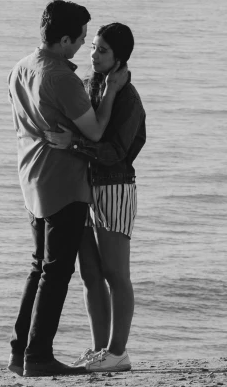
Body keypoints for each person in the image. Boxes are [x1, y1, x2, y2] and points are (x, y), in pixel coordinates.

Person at [6, 1, 128, 377]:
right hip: (63, 184)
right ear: (63, 39)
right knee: (56, 273)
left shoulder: (21, 67)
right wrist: (111, 90)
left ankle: (20, 352)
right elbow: (95, 131)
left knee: (38, 268)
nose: (82, 48)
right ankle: (39, 356)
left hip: (31, 179)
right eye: (79, 41)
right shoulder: (61, 76)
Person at [44, 22, 146, 373]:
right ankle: (100, 349)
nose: (94, 54)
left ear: (120, 57)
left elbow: (116, 151)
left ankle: (118, 353)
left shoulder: (129, 98)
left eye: (103, 50)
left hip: (115, 187)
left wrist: (73, 144)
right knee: (89, 274)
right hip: (83, 188)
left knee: (116, 273)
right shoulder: (88, 86)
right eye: (94, 48)